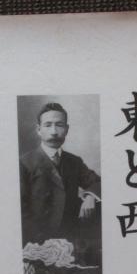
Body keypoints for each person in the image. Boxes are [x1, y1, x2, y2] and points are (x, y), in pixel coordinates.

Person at [20, 102, 101, 245]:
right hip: (37, 242)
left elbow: (96, 182)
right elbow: (21, 210)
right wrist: (41, 243)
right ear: (39, 130)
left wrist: (90, 197)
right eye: (48, 125)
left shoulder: (74, 161)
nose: (54, 131)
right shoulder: (24, 163)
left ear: (67, 129)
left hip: (71, 239)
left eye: (59, 125)